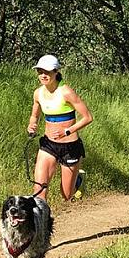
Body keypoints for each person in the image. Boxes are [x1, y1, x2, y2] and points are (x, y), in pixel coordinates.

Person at [27, 55, 93, 201]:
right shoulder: (38, 93)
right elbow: (34, 116)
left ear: (56, 71)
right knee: (39, 190)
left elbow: (88, 117)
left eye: (48, 72)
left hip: (70, 147)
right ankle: (41, 223)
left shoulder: (66, 92)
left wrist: (67, 131)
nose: (43, 75)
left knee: (67, 195)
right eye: (40, 71)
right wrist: (32, 125)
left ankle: (79, 180)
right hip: (48, 145)